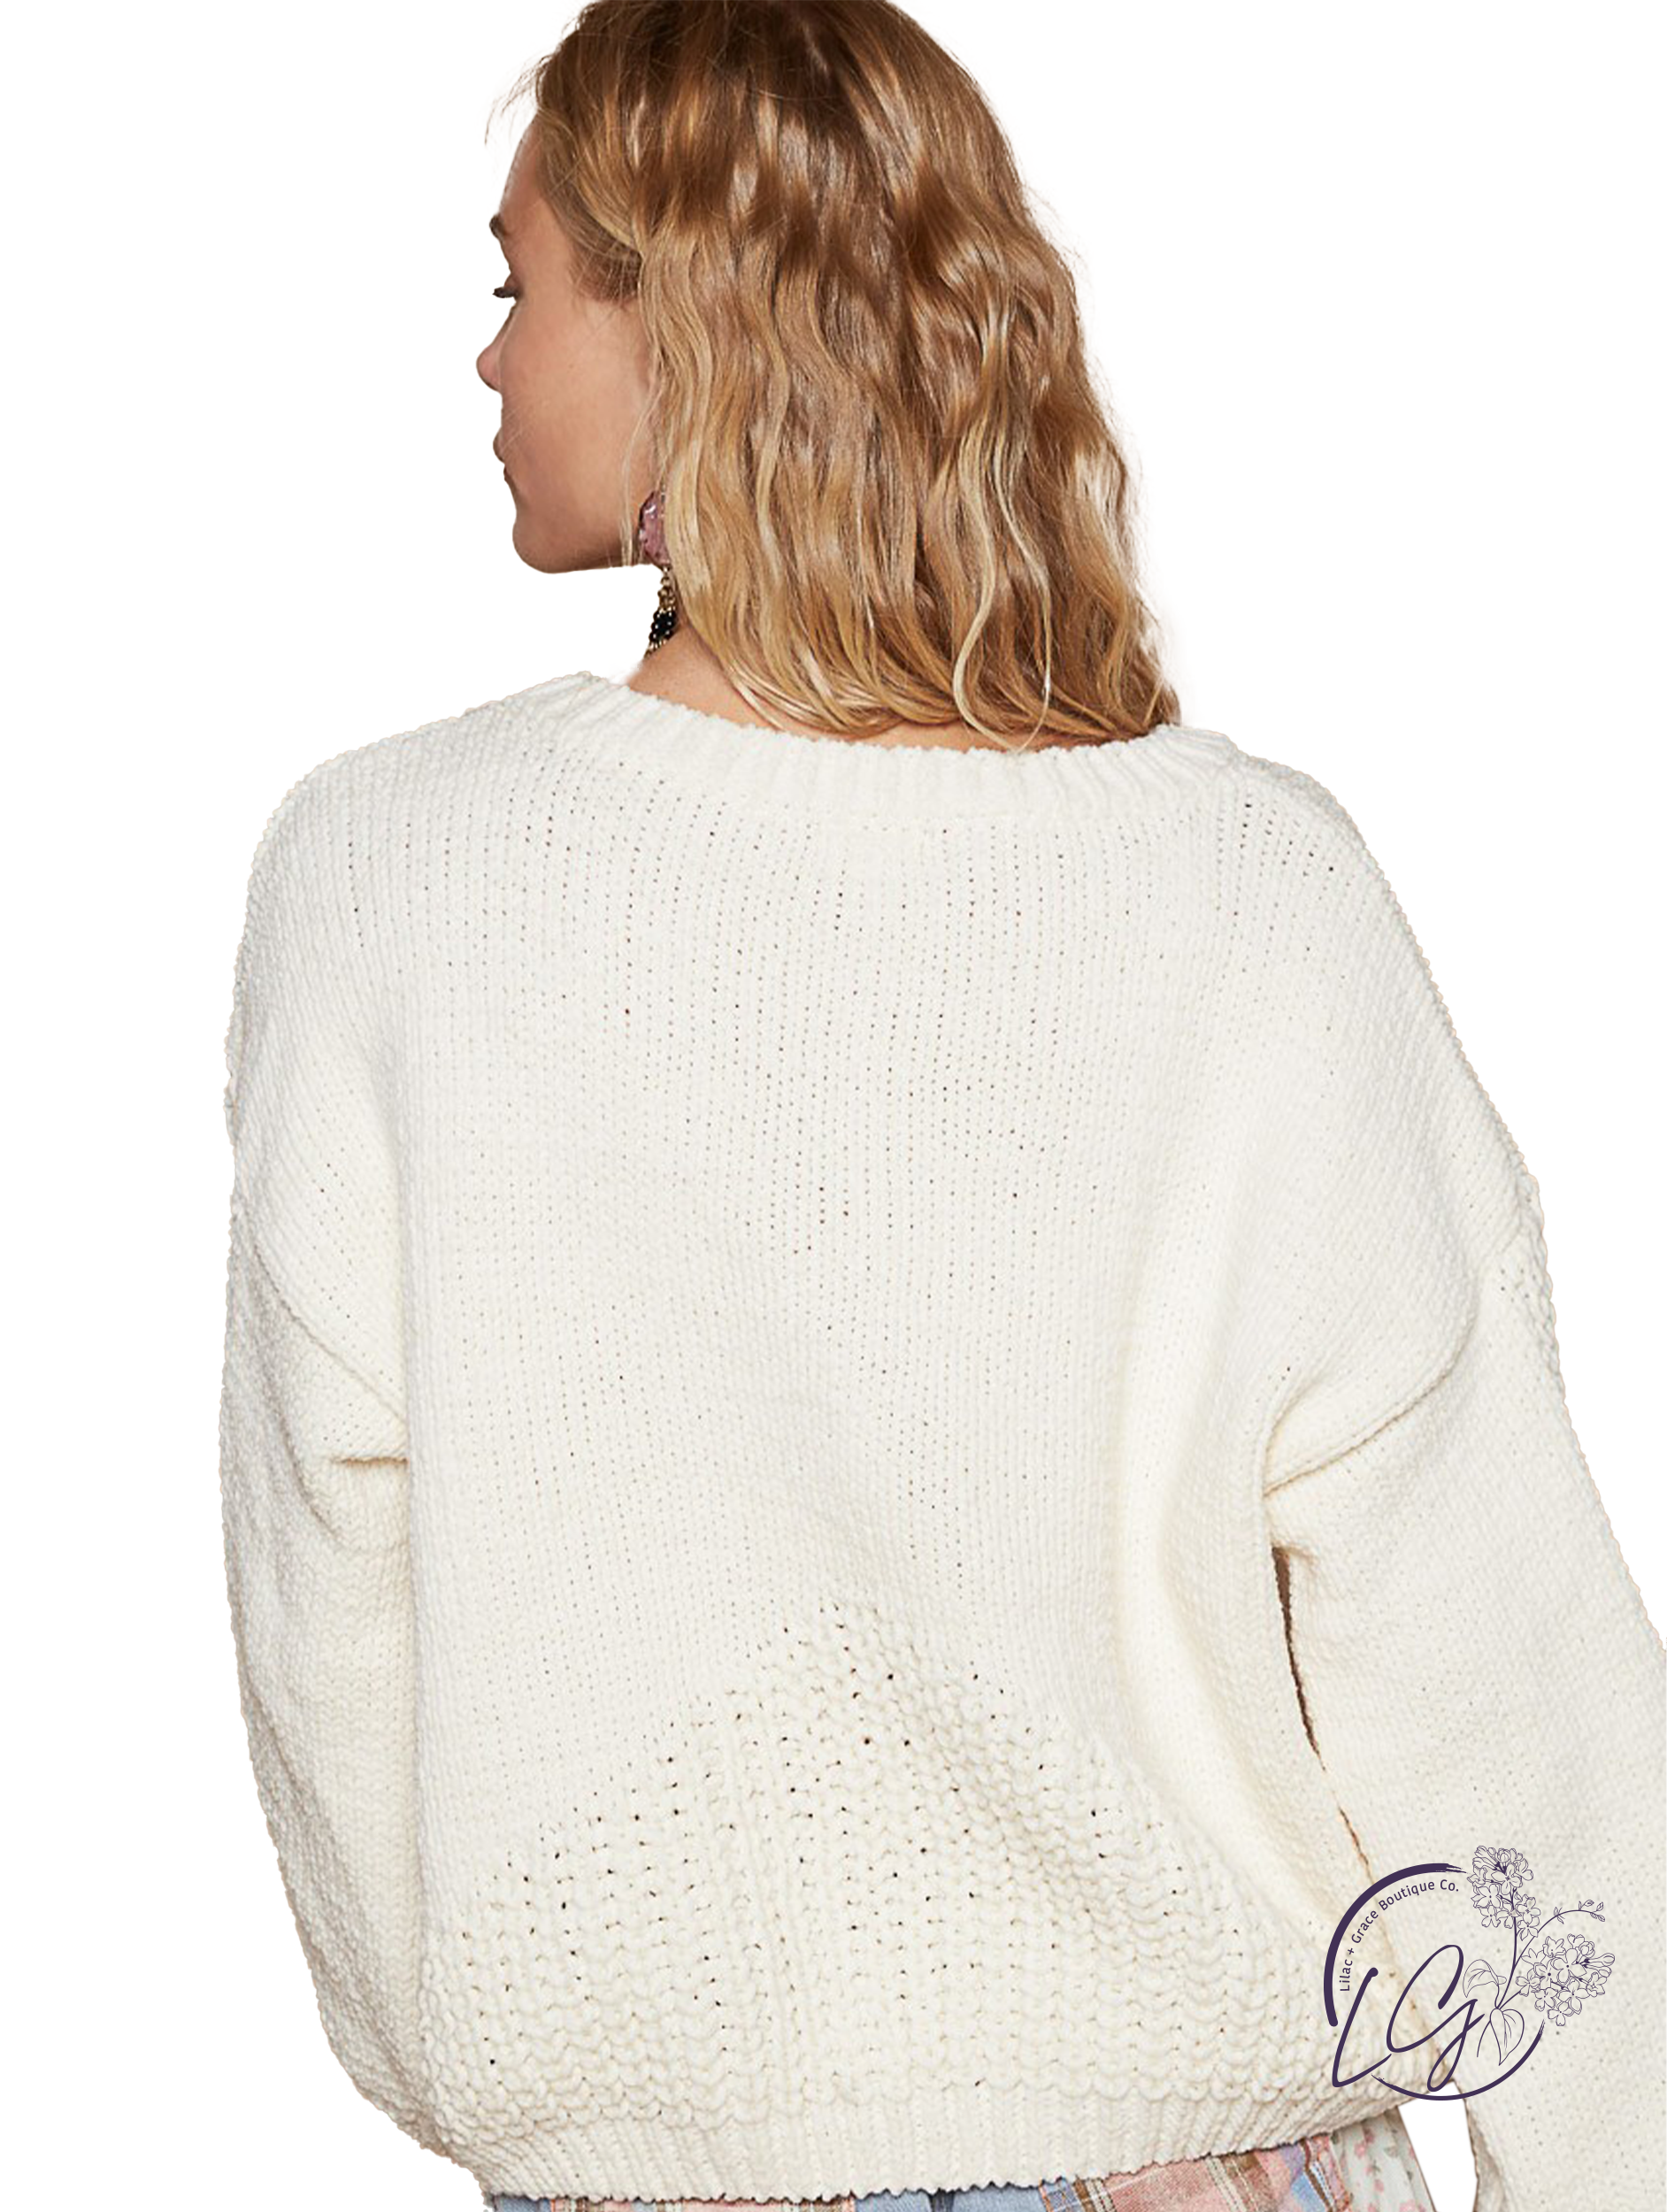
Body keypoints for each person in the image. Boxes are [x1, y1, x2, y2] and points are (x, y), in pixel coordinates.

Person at [215, 4, 1664, 2210]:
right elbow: (1500, 1661)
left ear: (685, 312)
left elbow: (336, 1612)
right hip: (1207, 2155)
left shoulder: (387, 878)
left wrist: (537, 2088)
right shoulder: (1249, 890)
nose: (487, 359)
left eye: (519, 285)